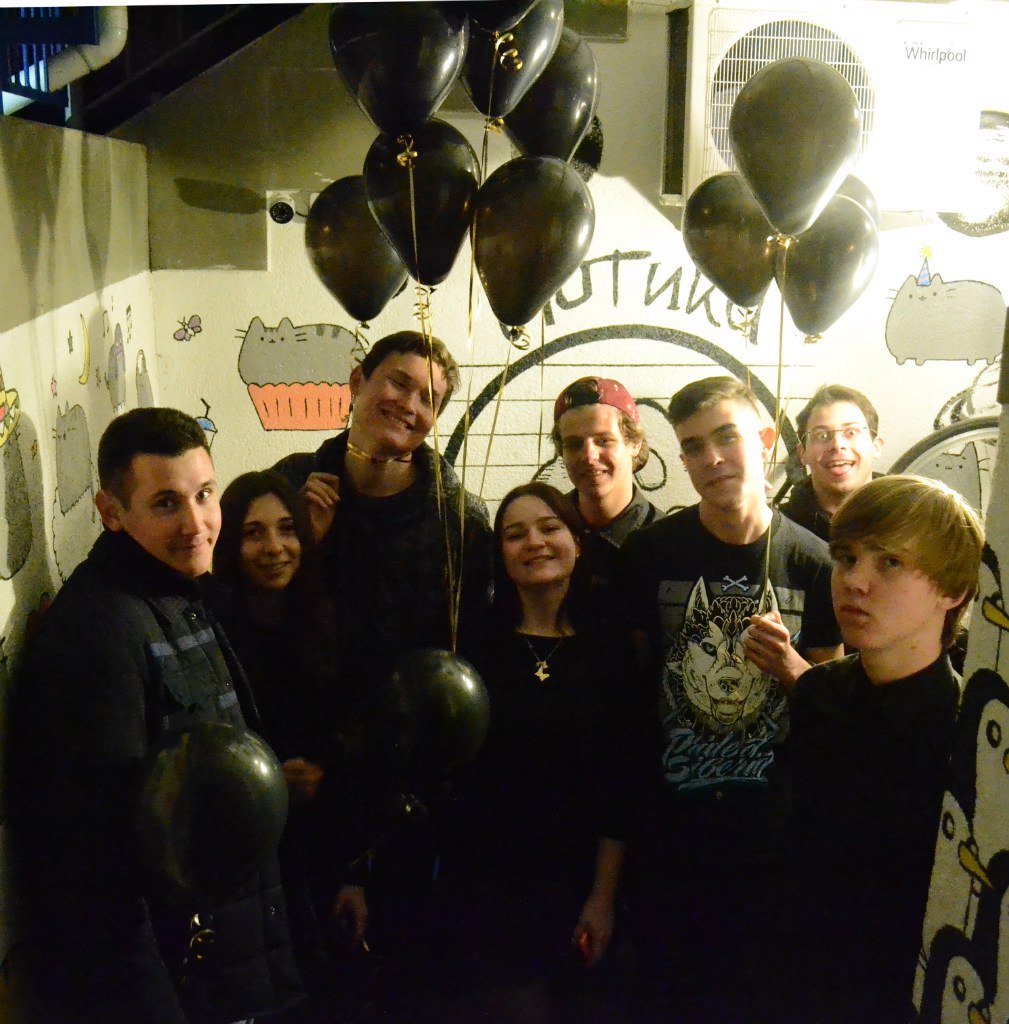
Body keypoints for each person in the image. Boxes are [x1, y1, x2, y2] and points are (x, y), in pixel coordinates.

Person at [7, 408, 304, 1024]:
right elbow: (93, 870)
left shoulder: (179, 593)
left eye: (204, 495)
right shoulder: (96, 635)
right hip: (185, 986)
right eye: (166, 503)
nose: (197, 524)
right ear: (111, 511)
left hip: (234, 968)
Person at [617, 375, 843, 1023]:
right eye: (693, 446)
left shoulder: (814, 563)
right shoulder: (650, 554)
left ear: (765, 440)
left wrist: (791, 666)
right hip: (671, 841)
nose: (712, 458)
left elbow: (829, 712)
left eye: (726, 437)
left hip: (771, 845)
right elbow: (633, 693)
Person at [429, 482, 643, 1024]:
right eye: (515, 534)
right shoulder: (472, 646)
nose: (535, 543)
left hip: (581, 880)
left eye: (550, 528)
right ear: (500, 554)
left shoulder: (610, 649)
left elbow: (620, 785)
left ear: (577, 542)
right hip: (489, 888)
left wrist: (602, 896)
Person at [784, 475, 984, 1024]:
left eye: (890, 562)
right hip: (801, 980)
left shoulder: (968, 734)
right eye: (846, 558)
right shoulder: (819, 693)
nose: (854, 581)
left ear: (952, 590)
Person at [272, 330, 492, 699]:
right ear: (358, 380)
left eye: (428, 399)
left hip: (417, 720)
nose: (408, 404)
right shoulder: (287, 486)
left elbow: (478, 646)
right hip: (300, 714)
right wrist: (303, 547)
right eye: (399, 383)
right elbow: (246, 616)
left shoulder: (461, 519)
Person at [213, 471, 369, 981]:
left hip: (329, 848)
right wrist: (267, 782)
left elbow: (363, 742)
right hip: (243, 861)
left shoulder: (333, 621)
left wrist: (354, 871)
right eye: (252, 533)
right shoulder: (211, 629)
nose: (275, 548)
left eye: (287, 529)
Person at [551, 376, 659, 621]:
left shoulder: (667, 543)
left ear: (634, 443)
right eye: (574, 444)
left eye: (603, 441)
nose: (589, 456)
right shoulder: (543, 536)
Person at [777, 383, 884, 541]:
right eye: (822, 435)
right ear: (802, 453)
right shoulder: (778, 533)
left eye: (851, 432)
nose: (837, 445)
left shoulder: (913, 521)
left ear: (876, 446)